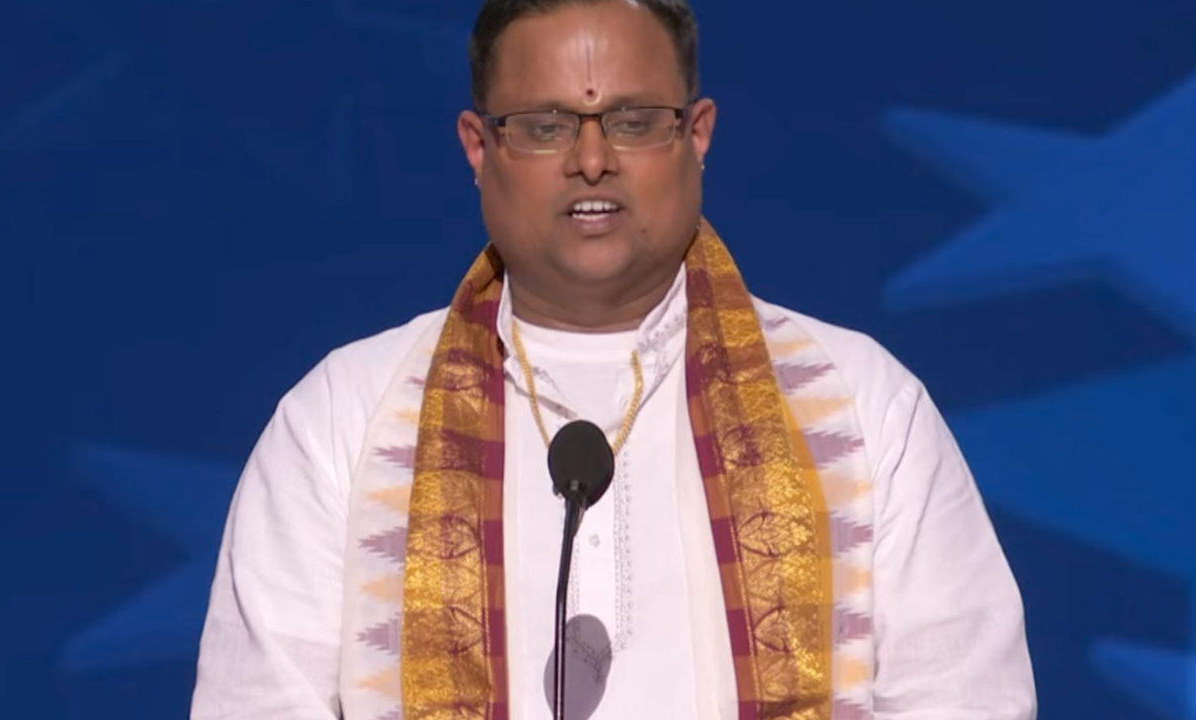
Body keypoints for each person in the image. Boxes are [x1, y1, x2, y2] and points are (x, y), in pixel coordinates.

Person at [190, 0, 1037, 718]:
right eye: (545, 125)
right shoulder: (344, 418)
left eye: (632, 121)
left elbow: (964, 695)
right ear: (479, 148)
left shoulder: (857, 404)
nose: (591, 159)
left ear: (697, 135)